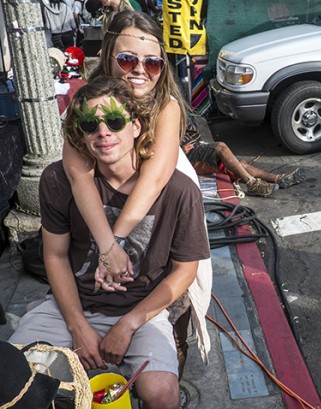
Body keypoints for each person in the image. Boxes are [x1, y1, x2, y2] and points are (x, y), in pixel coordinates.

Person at [9, 76, 210, 409]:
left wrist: (131, 322)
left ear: (135, 126)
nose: (103, 132)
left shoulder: (179, 190)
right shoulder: (58, 180)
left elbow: (185, 272)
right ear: (81, 135)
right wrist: (78, 326)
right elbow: (55, 256)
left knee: (162, 394)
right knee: (14, 379)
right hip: (70, 306)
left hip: (141, 311)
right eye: (91, 124)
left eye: (114, 122)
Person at [62, 10, 213, 374]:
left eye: (153, 63)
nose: (139, 70)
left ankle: (170, 351)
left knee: (174, 287)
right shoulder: (86, 103)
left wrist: (115, 241)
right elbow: (78, 175)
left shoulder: (166, 106)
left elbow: (156, 177)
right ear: (110, 54)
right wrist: (107, 248)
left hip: (160, 205)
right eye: (127, 59)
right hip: (103, 208)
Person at [182, 128, 305, 197]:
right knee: (221, 148)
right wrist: (180, 150)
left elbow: (191, 132)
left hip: (190, 148)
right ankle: (252, 183)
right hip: (183, 156)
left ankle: (278, 179)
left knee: (240, 164)